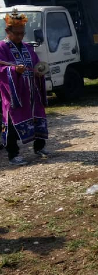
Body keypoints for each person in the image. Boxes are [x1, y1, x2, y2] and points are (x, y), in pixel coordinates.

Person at [0, 10, 49, 165]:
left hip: (32, 91)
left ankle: (39, 147)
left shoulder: (28, 47)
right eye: (17, 33)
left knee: (38, 116)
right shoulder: (2, 47)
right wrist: (14, 70)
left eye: (22, 33)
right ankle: (13, 155)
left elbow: (36, 64)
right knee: (13, 121)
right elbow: (1, 69)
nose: (20, 36)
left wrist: (39, 71)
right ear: (8, 31)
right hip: (14, 92)